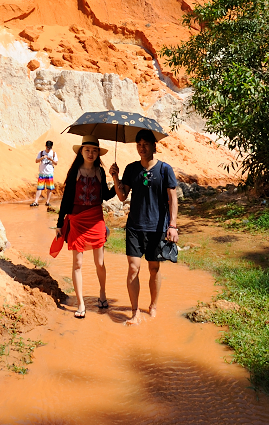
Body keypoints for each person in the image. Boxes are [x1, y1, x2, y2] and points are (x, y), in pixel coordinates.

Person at [109, 128, 179, 326]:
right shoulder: (131, 169)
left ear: (154, 146)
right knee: (133, 269)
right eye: (139, 144)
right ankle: (134, 312)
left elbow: (172, 198)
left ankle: (153, 306)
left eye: (145, 144)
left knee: (154, 270)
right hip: (134, 227)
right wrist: (115, 177)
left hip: (157, 228)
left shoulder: (165, 170)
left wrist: (172, 225)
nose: (142, 147)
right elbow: (122, 196)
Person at [56, 136, 115, 319]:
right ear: (81, 152)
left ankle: (103, 294)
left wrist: (117, 180)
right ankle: (81, 303)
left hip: (96, 218)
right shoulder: (75, 172)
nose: (91, 153)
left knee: (100, 262)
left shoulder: (100, 172)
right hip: (77, 219)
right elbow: (66, 199)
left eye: (94, 150)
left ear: (98, 153)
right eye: (87, 149)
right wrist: (59, 223)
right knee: (78, 263)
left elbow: (105, 196)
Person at [31, 140, 58, 207]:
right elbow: (36, 161)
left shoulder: (53, 153)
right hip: (42, 173)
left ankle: (47, 202)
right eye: (47, 147)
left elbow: (56, 163)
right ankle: (36, 201)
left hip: (49, 173)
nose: (48, 149)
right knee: (39, 188)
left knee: (49, 188)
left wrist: (51, 159)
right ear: (45, 146)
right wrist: (42, 157)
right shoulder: (41, 153)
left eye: (50, 148)